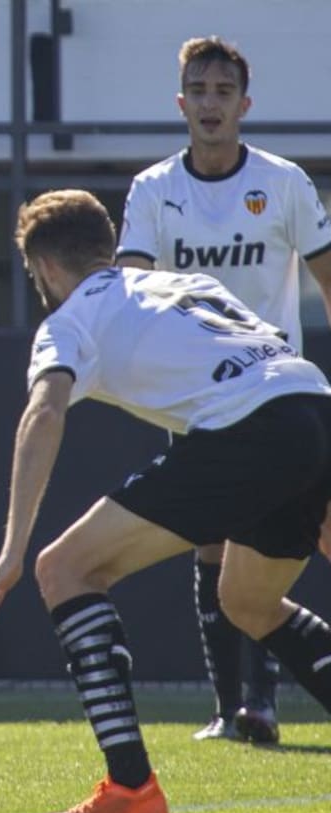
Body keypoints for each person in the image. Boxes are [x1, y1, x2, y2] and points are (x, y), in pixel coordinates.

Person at [0, 189, 331, 813]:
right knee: (248, 602)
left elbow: (44, 413)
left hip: (249, 429)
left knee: (63, 570)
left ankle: (129, 787)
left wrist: (10, 552)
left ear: (45, 268)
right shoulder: (185, 283)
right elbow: (267, 359)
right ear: (107, 246)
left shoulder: (68, 321)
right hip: (312, 405)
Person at [116, 36, 331, 744]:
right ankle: (231, 707)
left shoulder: (284, 183)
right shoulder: (154, 191)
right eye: (200, 92)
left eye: (224, 92)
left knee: (267, 543)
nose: (211, 104)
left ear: (245, 104)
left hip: (278, 397)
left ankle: (259, 705)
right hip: (198, 398)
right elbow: (133, 291)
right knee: (210, 542)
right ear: (181, 104)